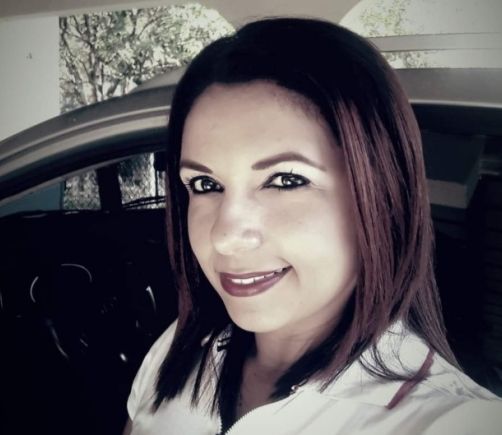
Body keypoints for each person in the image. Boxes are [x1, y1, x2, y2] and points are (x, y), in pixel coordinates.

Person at [124, 18, 502, 435]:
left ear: (382, 197)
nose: (225, 237)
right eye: (205, 185)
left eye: (286, 180)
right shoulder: (178, 350)